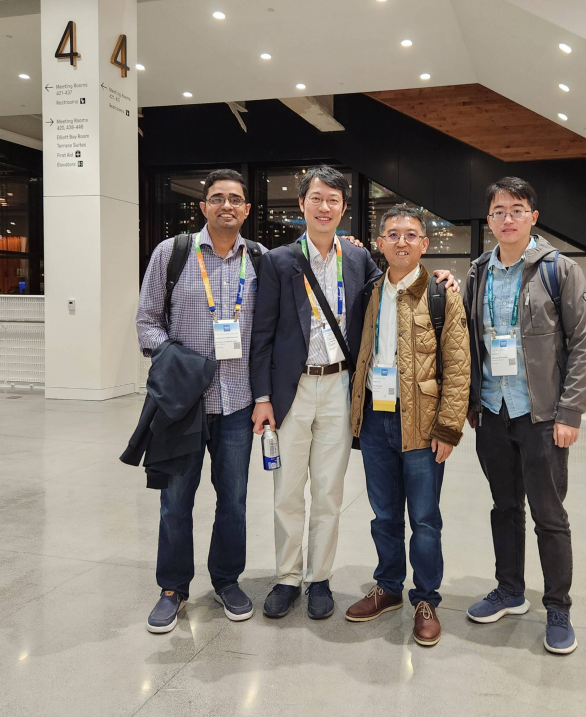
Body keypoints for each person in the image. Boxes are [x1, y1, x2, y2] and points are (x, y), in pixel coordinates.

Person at [250, 166, 458, 621]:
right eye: (316, 199)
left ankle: (319, 578)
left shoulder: (359, 259)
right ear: (302, 203)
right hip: (293, 390)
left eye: (334, 201)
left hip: (344, 387)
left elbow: (403, 282)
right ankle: (287, 577)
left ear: (344, 209)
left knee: (328, 491)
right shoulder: (279, 260)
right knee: (287, 490)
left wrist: (444, 277)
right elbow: (260, 334)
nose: (325, 208)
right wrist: (262, 397)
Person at [462, 176, 586, 655]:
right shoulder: (478, 271)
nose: (507, 219)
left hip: (540, 414)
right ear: (490, 219)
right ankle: (510, 590)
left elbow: (583, 346)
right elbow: (466, 341)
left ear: (533, 217)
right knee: (504, 507)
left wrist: (570, 413)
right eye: (498, 211)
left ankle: (558, 607)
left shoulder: (559, 269)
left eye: (516, 209)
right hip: (493, 410)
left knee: (549, 515)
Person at [135, 169, 264, 632]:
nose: (226, 205)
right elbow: (147, 322)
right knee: (175, 501)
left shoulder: (262, 260)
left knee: (233, 500)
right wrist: (179, 365)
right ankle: (173, 588)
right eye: (217, 198)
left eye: (235, 199)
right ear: (204, 206)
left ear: (247, 210)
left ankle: (227, 580)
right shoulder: (173, 254)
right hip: (181, 405)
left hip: (237, 404)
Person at [344, 205, 469, 647]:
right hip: (376, 420)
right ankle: (389, 587)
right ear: (379, 244)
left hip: (423, 423)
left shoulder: (442, 294)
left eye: (411, 234)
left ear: (424, 244)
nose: (401, 241)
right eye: (392, 234)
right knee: (383, 515)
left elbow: (457, 365)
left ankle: (426, 599)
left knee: (425, 519)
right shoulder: (370, 292)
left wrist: (448, 428)